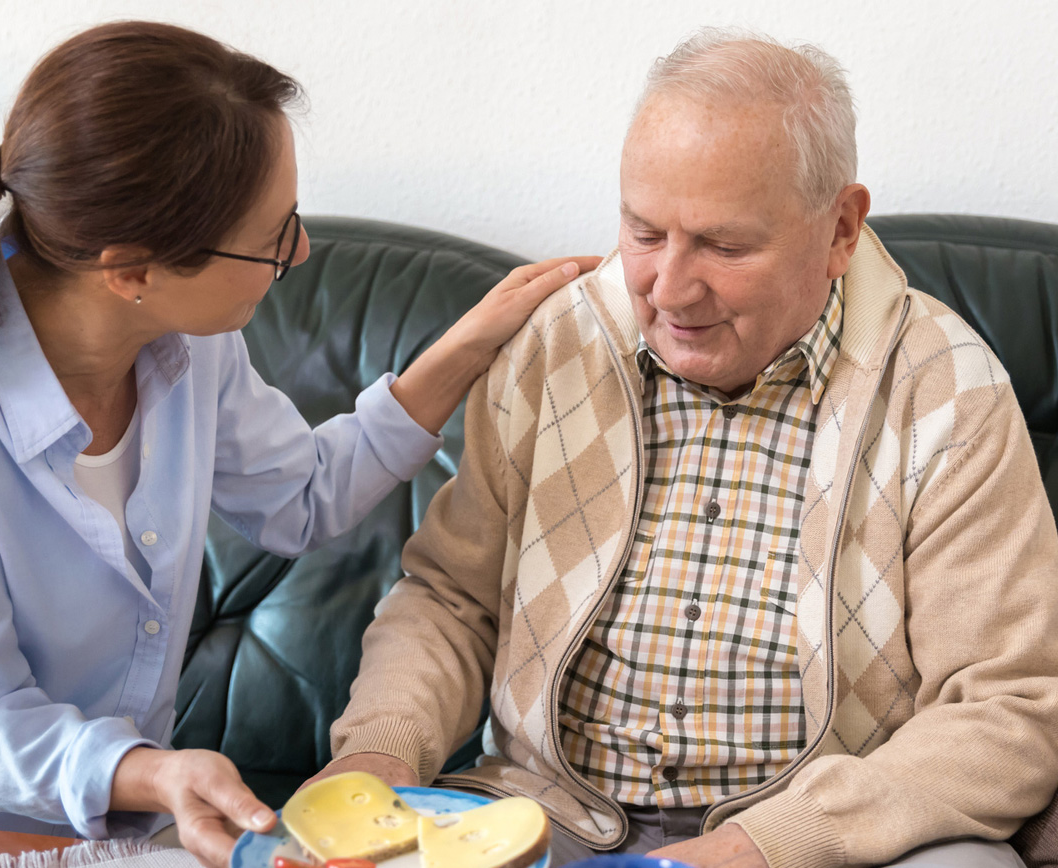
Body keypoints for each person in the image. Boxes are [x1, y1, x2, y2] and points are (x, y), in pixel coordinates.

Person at [0, 21, 598, 868]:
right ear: (131, 272)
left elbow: (300, 499)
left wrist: (466, 345)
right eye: (272, 237)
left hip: (117, 828)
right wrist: (153, 774)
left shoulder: (189, 340)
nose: (298, 251)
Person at [317, 28, 1058, 868]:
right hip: (542, 819)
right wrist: (378, 751)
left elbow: (1009, 706)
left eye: (723, 245)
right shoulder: (557, 343)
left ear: (841, 228)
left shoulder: (946, 389)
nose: (668, 289)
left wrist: (768, 844)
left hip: (821, 841)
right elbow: (453, 599)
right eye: (643, 232)